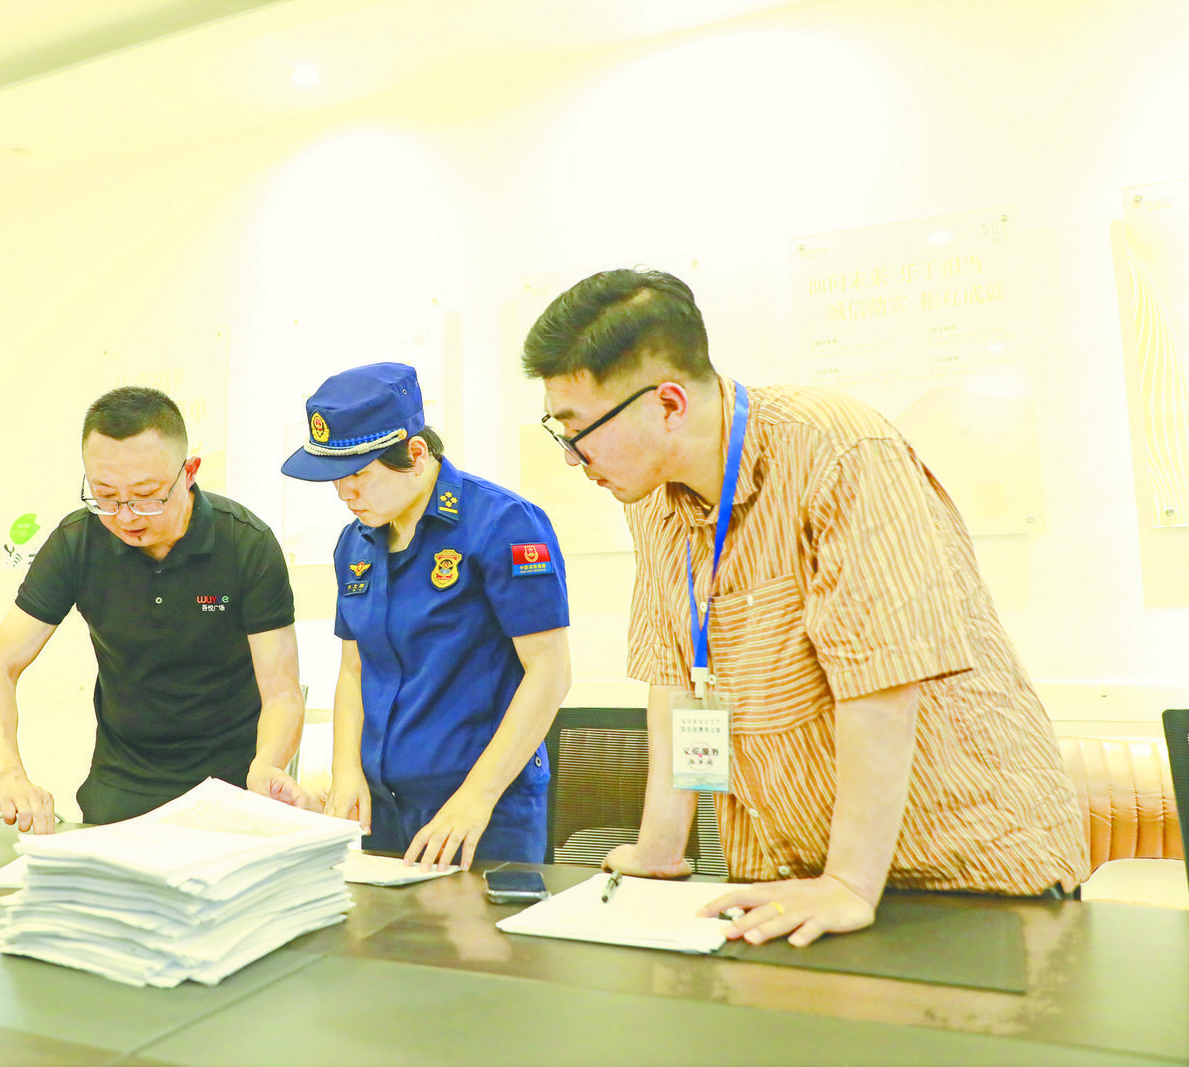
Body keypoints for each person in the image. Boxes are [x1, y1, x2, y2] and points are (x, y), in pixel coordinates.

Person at [522, 268, 1086, 946]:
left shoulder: (838, 451)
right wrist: (658, 850)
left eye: (577, 429)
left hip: (960, 872)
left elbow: (883, 679)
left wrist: (848, 880)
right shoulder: (651, 498)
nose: (572, 457)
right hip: (796, 879)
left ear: (669, 404)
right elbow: (674, 677)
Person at [0, 386, 310, 831]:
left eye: (147, 495)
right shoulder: (78, 542)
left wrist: (269, 764)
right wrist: (7, 776)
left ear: (189, 473)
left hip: (234, 782)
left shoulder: (245, 544)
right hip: (121, 783)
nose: (126, 516)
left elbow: (282, 690)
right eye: (106, 495)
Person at [281, 363, 571, 868]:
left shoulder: (503, 524)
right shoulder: (356, 542)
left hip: (483, 808)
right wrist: (345, 769)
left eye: (359, 475)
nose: (345, 493)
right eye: (335, 478)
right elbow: (354, 668)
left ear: (415, 455)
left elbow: (550, 671)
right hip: (382, 809)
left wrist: (477, 796)